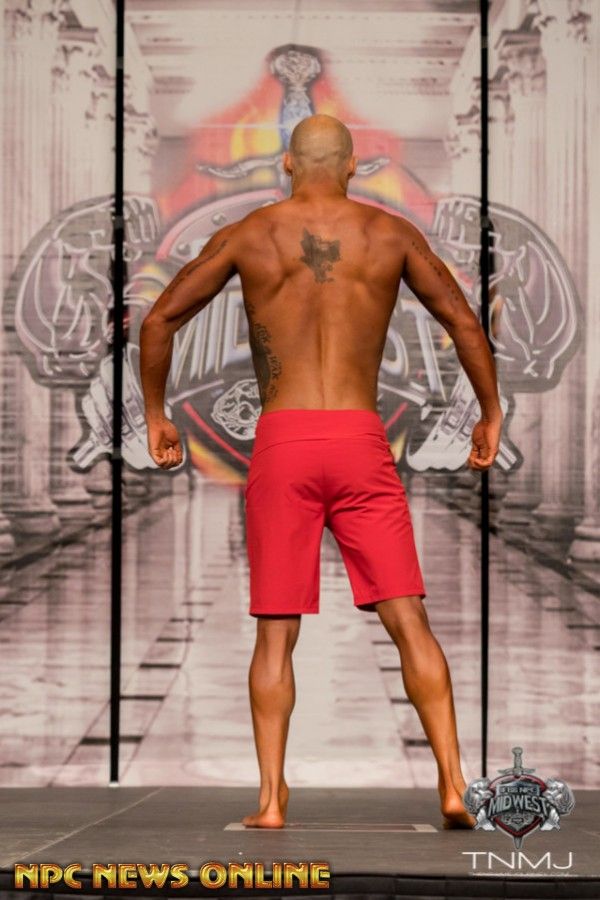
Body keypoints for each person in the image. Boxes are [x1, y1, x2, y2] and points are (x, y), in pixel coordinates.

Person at [139, 114, 503, 831]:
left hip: (284, 444)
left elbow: (157, 322)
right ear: (353, 164)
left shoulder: (250, 234)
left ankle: (272, 802)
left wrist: (157, 415)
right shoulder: (390, 234)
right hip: (361, 442)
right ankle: (454, 784)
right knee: (409, 620)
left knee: (275, 632)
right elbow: (464, 323)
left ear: (287, 163)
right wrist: (490, 413)